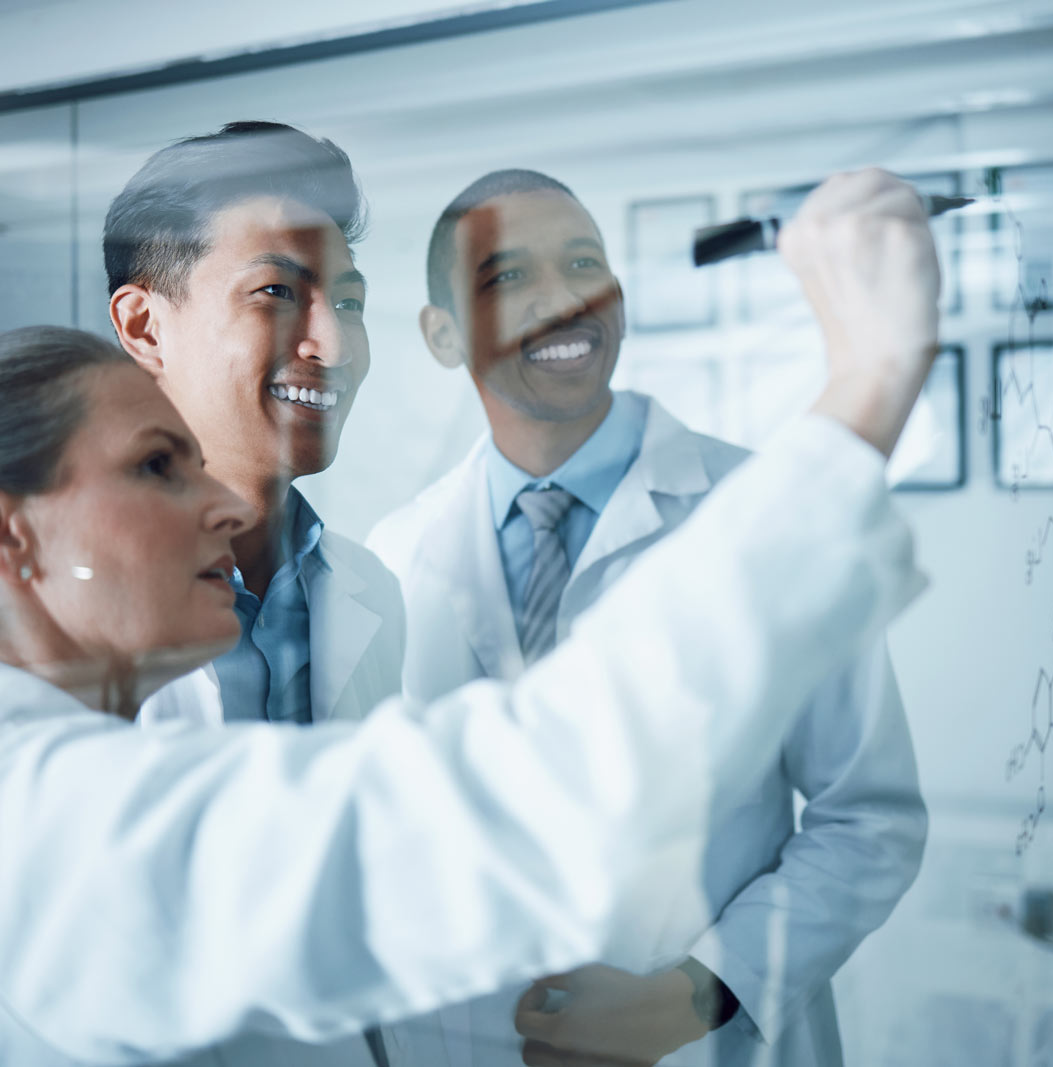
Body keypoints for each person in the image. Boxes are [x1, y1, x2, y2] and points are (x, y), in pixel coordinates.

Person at [0, 168, 940, 1065]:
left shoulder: (5, 789)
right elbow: (498, 807)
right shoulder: (46, 820)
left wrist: (699, 989)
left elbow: (860, 819)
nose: (219, 496)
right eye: (156, 466)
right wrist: (867, 385)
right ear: (0, 533)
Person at [367, 169, 927, 1066]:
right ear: (441, 334)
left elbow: (869, 817)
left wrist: (694, 993)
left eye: (584, 262)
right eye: (508, 276)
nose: (563, 297)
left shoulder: (763, 511)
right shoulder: (392, 560)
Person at [104, 121, 404, 729]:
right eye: (275, 291)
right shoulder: (46, 596)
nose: (335, 346)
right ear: (144, 327)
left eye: (349, 304)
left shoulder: (371, 589)